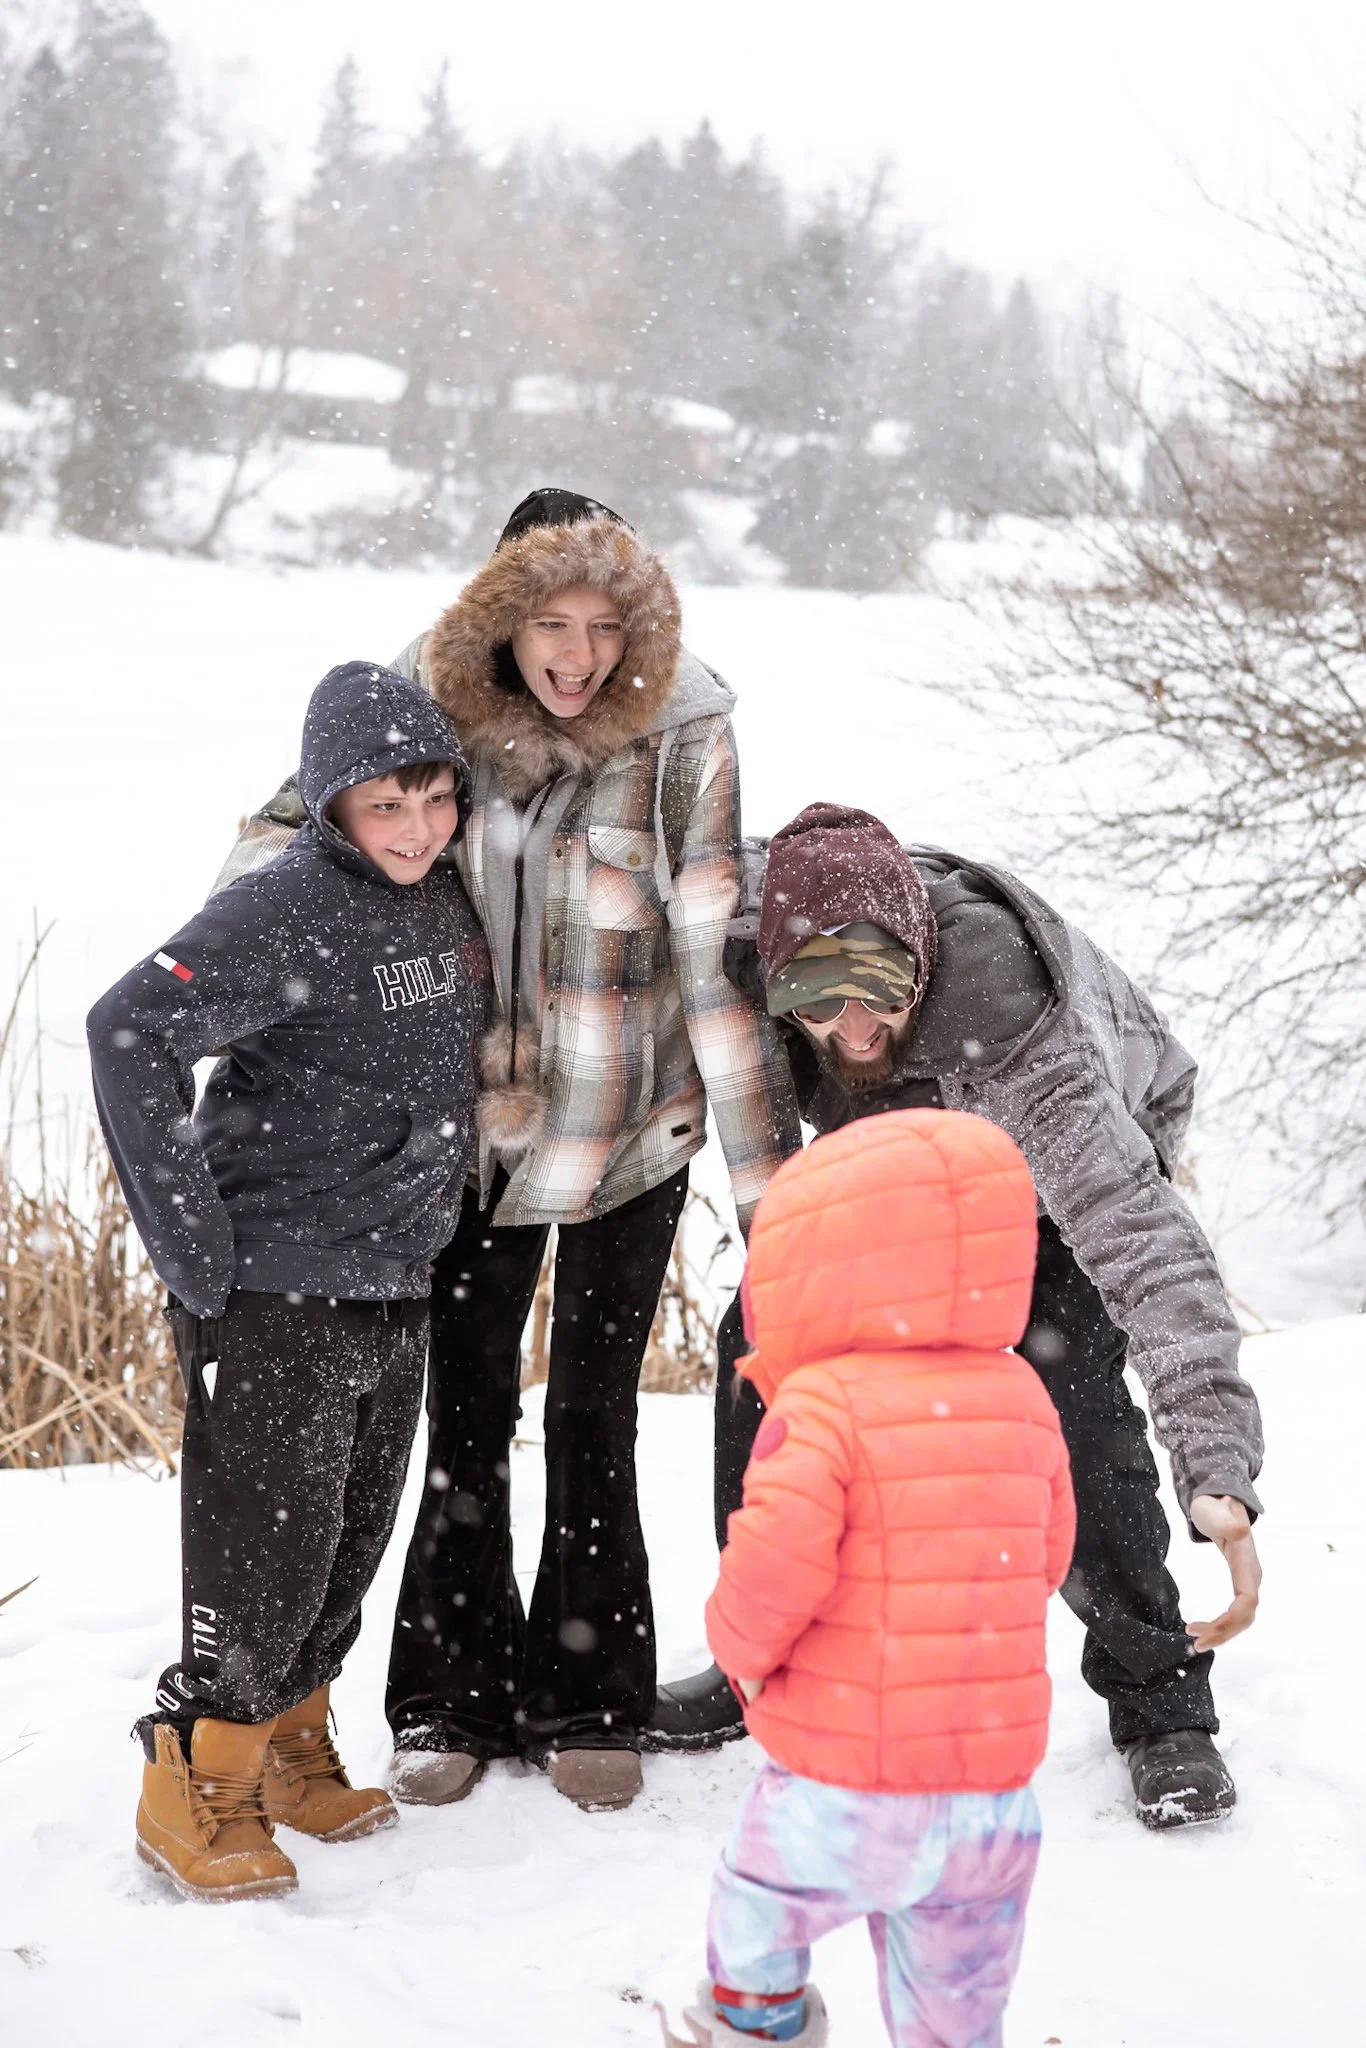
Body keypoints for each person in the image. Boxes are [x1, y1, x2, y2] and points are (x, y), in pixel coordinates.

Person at [217, 490, 799, 1812]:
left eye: (604, 623)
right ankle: (448, 1696)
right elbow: (287, 834)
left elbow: (716, 960)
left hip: (629, 1129)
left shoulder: (682, 730)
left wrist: (777, 1201)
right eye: (551, 620)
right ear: (502, 611)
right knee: (465, 1408)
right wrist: (246, 961)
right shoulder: (423, 701)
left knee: (592, 1410)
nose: (578, 653)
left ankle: (588, 1693)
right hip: (465, 1137)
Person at [649, 802, 1264, 1832]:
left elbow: (1150, 1253)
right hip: (904, 1156)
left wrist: (1218, 1470)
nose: (851, 1028)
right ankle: (764, 1646)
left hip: (1053, 1162)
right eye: (815, 997)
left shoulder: (1018, 1021)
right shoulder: (748, 934)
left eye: (876, 991)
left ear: (919, 959)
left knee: (1063, 1391)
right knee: (758, 1350)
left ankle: (1161, 1701)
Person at [87, 661, 487, 1902]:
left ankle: (291, 1743)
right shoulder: (286, 906)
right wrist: (192, 1252)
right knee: (261, 1550)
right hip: (274, 1284)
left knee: (348, 1535)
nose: (417, 827)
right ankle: (196, 1777)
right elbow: (126, 1028)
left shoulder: (439, 897)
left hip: (392, 1276)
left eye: (433, 796)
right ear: (330, 809)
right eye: (385, 805)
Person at [660, 1108, 1076, 2048]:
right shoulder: (1020, 1395)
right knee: (956, 1999)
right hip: (991, 1808)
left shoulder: (822, 1405)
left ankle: (755, 2030)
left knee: (758, 1914)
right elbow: (1045, 1560)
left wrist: (739, 1653)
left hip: (842, 1794)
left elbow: (774, 1570)